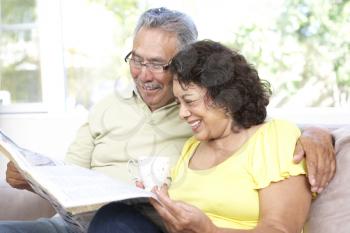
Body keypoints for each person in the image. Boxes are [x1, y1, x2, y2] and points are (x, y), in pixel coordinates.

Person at [2, 7, 334, 233]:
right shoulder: (192, 146)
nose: (144, 74)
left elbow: (262, 135)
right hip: (78, 223)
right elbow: (67, 175)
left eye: (158, 64)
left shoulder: (265, 136)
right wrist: (35, 179)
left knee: (116, 219)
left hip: (133, 226)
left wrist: (320, 134)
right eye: (136, 60)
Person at [88, 40, 313, 233]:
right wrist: (165, 207)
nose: (182, 113)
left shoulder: (273, 137)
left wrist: (209, 230)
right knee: (113, 218)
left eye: (190, 101)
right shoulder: (192, 147)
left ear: (224, 97)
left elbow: (280, 229)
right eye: (178, 103)